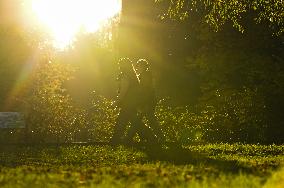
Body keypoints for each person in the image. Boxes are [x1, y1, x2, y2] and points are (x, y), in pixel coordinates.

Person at [125, 59, 166, 144]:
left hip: (147, 102)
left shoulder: (145, 76)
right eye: (138, 65)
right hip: (147, 101)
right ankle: (133, 137)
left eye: (140, 65)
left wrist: (143, 103)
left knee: (146, 120)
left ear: (144, 66)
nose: (138, 67)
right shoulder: (144, 75)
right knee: (142, 120)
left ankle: (130, 138)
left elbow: (146, 91)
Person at [110, 58, 141, 145]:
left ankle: (115, 139)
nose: (119, 66)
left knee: (121, 121)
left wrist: (116, 102)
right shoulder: (132, 76)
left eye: (121, 65)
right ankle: (149, 137)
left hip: (128, 104)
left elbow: (123, 92)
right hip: (133, 103)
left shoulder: (126, 76)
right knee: (135, 122)